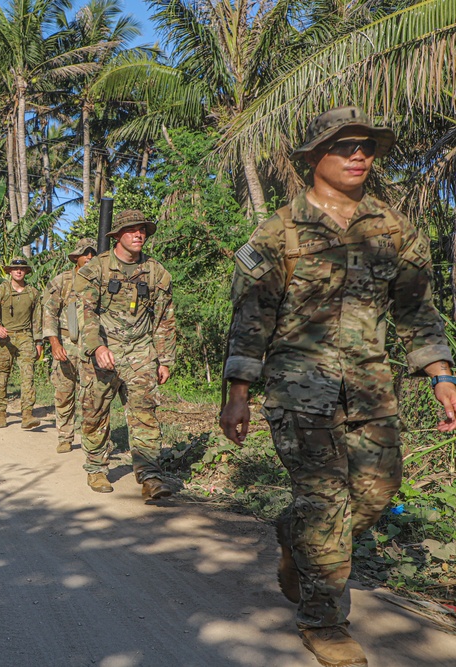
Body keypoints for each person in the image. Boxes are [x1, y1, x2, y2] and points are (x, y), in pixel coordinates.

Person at [219, 106, 456, 667]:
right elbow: (251, 317)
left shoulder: (393, 229)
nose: (359, 155)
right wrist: (237, 394)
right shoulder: (279, 230)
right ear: (314, 158)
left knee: (376, 494)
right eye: (346, 145)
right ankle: (324, 622)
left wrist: (441, 373)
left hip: (372, 386)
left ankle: (291, 533)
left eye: (368, 147)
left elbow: (416, 311)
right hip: (298, 388)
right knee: (325, 505)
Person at [75, 210, 176, 498]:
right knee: (95, 411)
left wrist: (165, 359)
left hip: (141, 351)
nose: (139, 234)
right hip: (103, 349)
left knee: (145, 412)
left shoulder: (157, 273)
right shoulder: (95, 269)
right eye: (131, 230)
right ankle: (96, 468)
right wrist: (97, 347)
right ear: (117, 235)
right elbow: (86, 312)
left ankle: (150, 476)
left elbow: (164, 318)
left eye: (142, 229)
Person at [43, 238, 97, 453]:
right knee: (64, 392)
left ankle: (91, 439)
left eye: (93, 254)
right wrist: (54, 343)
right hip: (67, 343)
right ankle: (65, 436)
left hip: (92, 346)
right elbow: (49, 312)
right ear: (76, 257)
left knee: (92, 395)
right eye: (86, 254)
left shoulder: (100, 280)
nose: (90, 258)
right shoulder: (63, 281)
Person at [0, 257, 43, 429]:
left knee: (28, 375)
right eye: (15, 268)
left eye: (22, 269)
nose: (18, 271)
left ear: (26, 272)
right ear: (9, 271)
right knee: (1, 375)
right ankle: (1, 412)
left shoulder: (33, 293)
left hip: (25, 337)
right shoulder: (0, 291)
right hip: (4, 337)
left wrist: (39, 342)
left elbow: (37, 319)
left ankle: (27, 414)